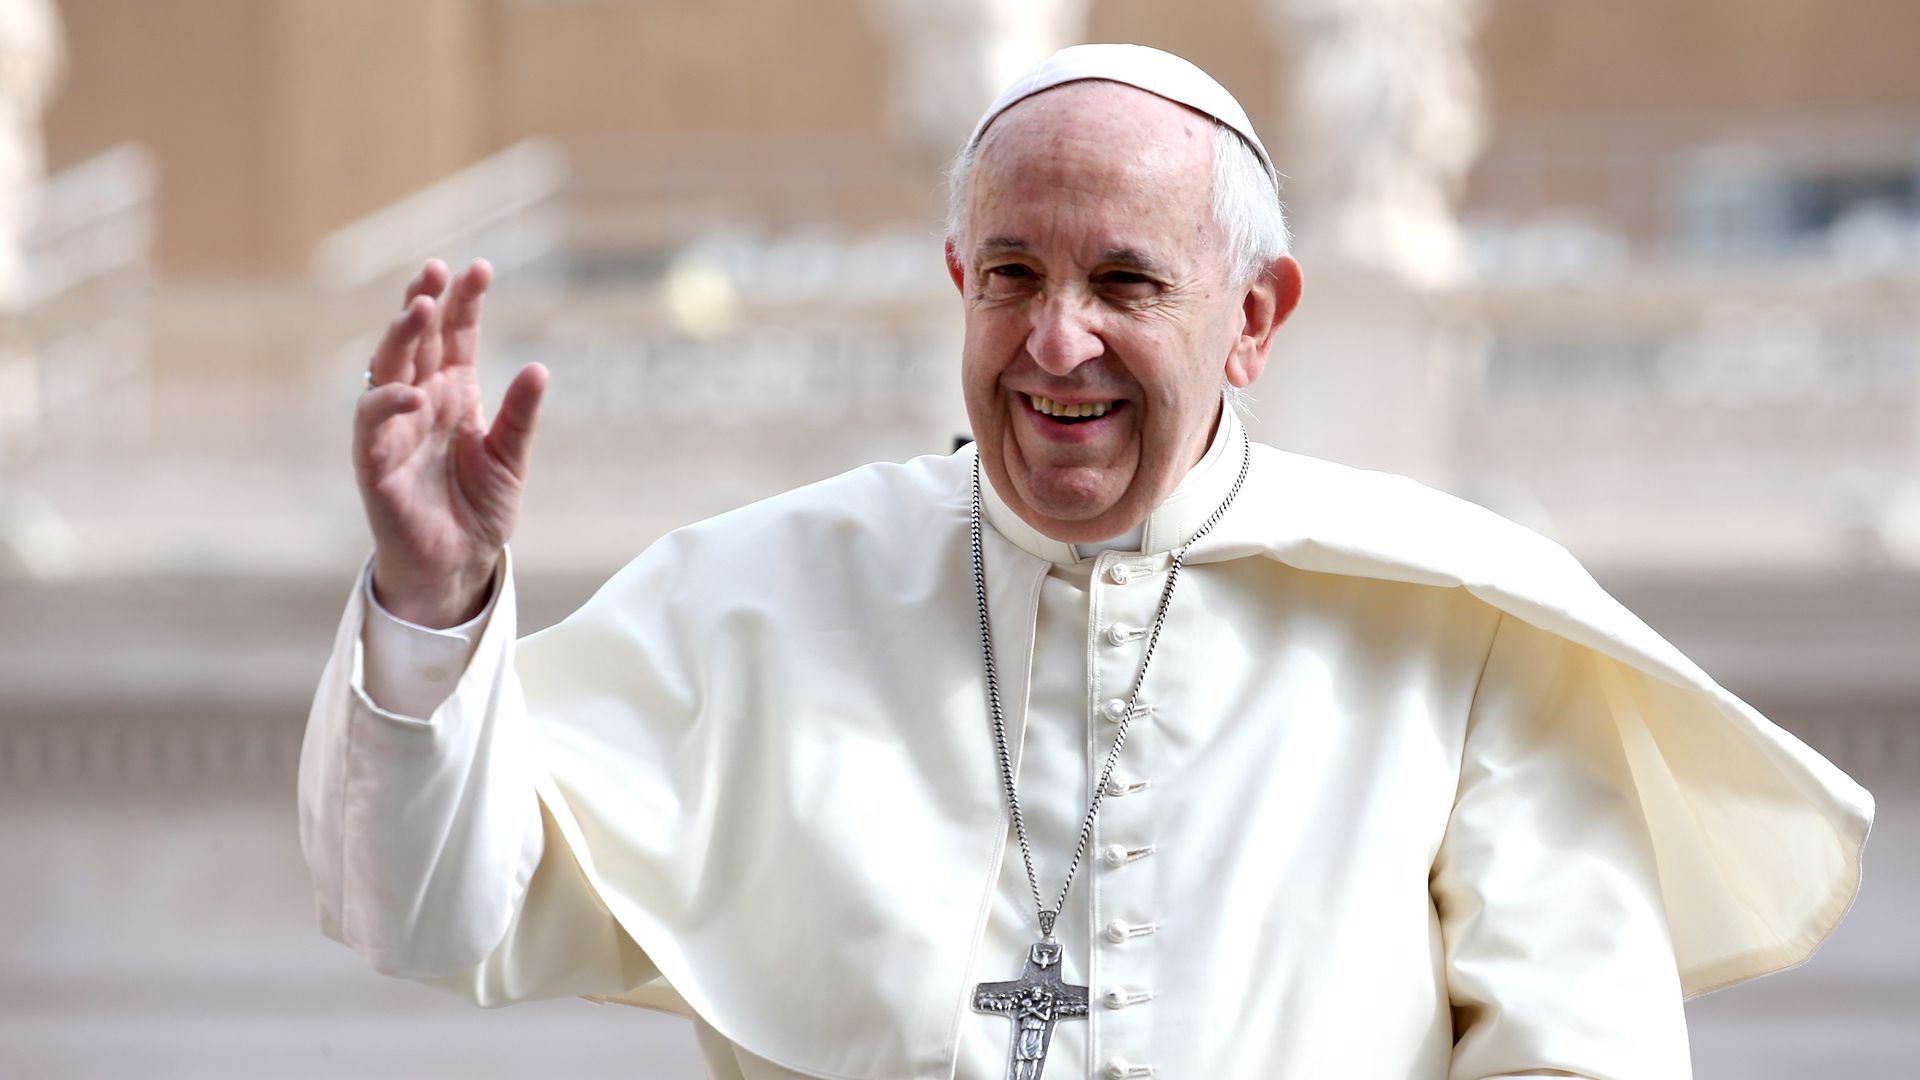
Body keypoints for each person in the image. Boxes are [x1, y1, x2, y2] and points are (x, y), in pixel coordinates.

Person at [300, 44, 1872, 1080]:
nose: (1058, 341)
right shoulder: (754, 605)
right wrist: (434, 600)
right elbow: (430, 913)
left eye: (1127, 280)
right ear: (956, 283)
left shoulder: (1459, 624)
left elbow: (1578, 1055)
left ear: (1254, 320)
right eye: (1012, 275)